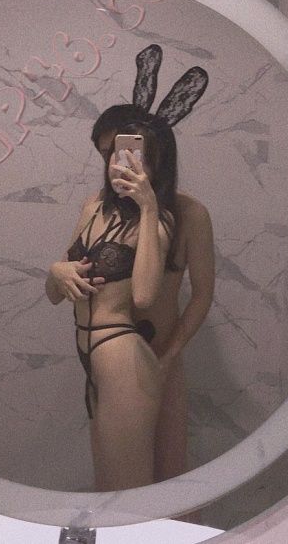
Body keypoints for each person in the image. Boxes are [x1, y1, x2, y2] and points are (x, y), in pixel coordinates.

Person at [45, 117, 178, 491]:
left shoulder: (159, 221)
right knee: (105, 487)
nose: (121, 164)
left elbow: (144, 296)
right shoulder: (92, 207)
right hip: (90, 356)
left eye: (138, 157)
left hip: (122, 357)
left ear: (155, 165)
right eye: (115, 155)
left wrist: (148, 206)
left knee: (127, 491)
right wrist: (57, 270)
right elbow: (54, 293)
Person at [92, 105, 215, 491]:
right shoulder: (103, 212)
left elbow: (202, 294)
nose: (116, 164)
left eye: (125, 152)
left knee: (168, 473)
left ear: (155, 154)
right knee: (120, 476)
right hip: (115, 362)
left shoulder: (190, 214)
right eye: (108, 154)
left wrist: (170, 355)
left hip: (164, 352)